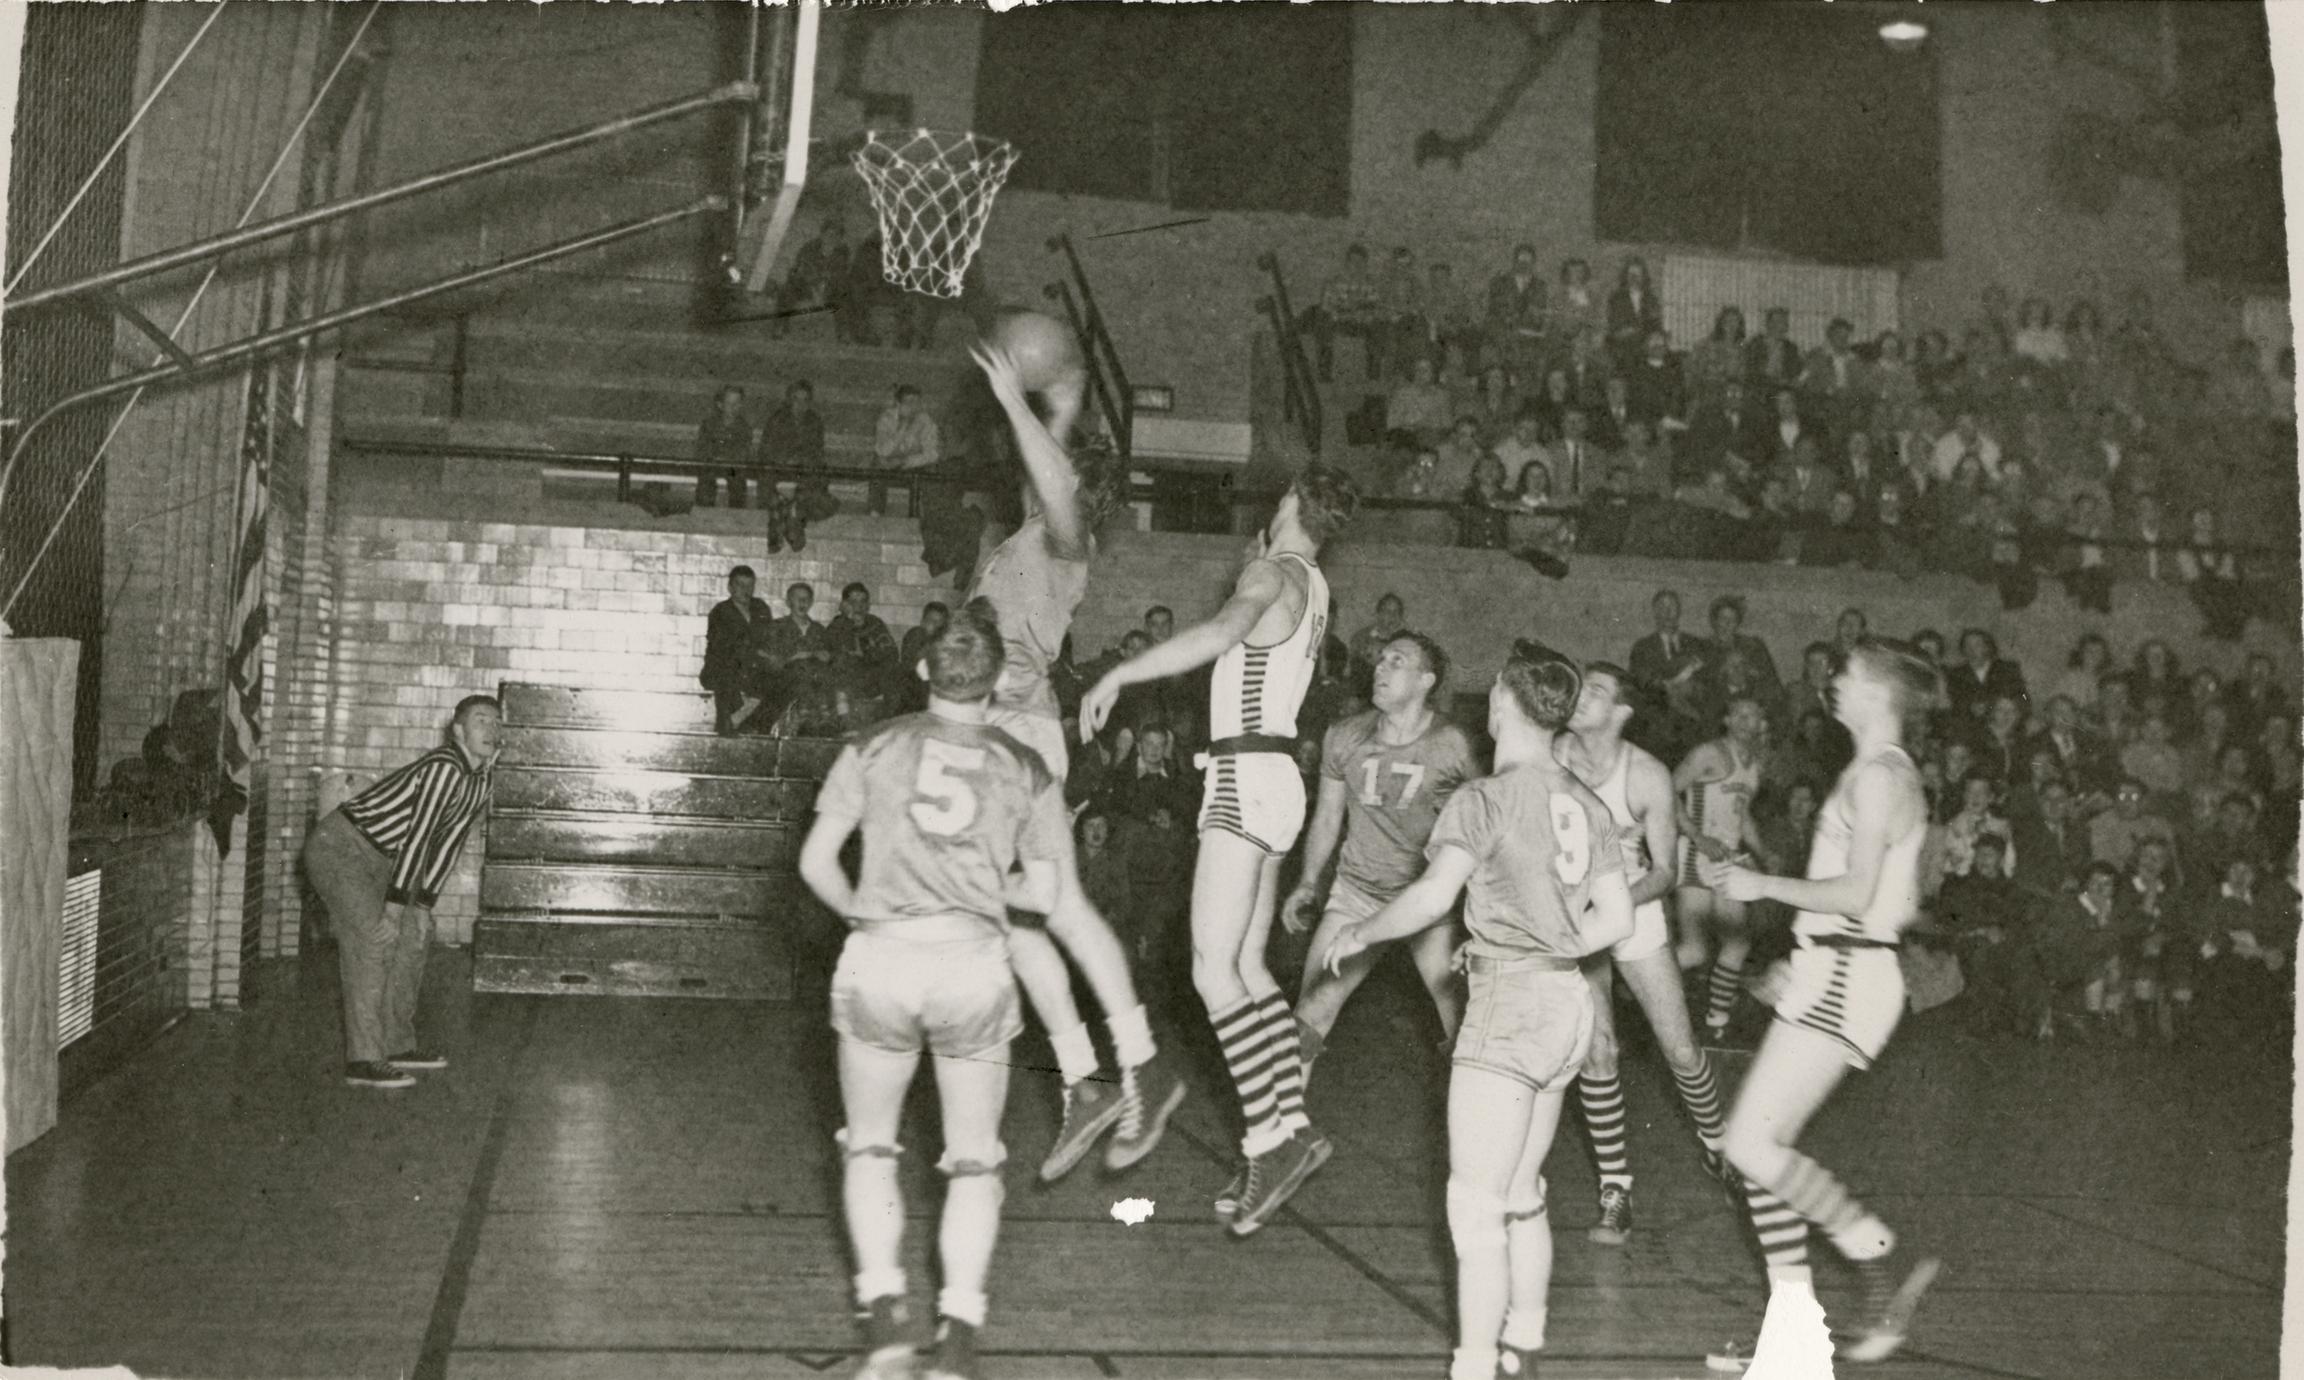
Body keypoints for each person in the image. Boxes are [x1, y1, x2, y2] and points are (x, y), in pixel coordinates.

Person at [1318, 645, 1634, 1380]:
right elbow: (1615, 919)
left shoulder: (1485, 799)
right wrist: (1538, 945)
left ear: (1504, 704)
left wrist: (1360, 931)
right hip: (1568, 1006)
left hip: (1512, 1012)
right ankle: (1525, 1338)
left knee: (1474, 1206)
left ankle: (1473, 1366)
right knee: (1523, 1190)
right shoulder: (1587, 802)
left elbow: (1431, 898)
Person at [1081, 465, 1362, 1235]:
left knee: (1211, 970)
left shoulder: (1271, 572)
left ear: (1295, 506)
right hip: (1275, 777)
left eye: (1278, 500)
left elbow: (1218, 634)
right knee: (1246, 969)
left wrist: (1124, 672)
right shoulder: (1312, 584)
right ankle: (1292, 1125)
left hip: (1242, 775)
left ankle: (1268, 1140)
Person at [797, 609, 1069, 1380]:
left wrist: (860, 909)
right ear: (1000, 681)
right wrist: (985, 883)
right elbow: (1044, 895)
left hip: (883, 957)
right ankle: (956, 1337)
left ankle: (885, 1319)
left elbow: (816, 863)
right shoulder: (1024, 763)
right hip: (971, 964)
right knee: (975, 1160)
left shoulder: (873, 744)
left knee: (872, 1146)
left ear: (922, 669)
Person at [967, 343, 1185, 1182]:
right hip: (1000, 731)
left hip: (1020, 732)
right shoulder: (1034, 533)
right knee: (1018, 920)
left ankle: (1137, 1060)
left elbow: (1055, 482)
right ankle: (1086, 1080)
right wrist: (1055, 401)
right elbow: (1048, 475)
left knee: (1052, 908)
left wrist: (1015, 403)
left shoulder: (1066, 540)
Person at [1707, 640, 1946, 1371]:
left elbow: (1857, 896)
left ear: (1876, 693)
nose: (1830, 685)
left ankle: (1880, 1260)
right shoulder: (1874, 772)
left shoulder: (1879, 778)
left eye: (1842, 677)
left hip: (1850, 976)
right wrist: (1799, 958)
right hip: (1835, 969)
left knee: (1749, 1146)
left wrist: (1763, 888)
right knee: (1757, 1153)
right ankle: (1794, 1332)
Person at [1555, 663, 1735, 1246]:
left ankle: (1718, 1143)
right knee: (1597, 1053)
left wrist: (1605, 907)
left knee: (1680, 1049)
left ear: (1623, 712)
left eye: (1597, 692)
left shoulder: (1647, 774)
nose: (1581, 698)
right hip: (1570, 922)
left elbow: (1663, 872)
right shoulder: (1551, 755)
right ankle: (1616, 1189)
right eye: (1579, 689)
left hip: (1630, 913)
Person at [1280, 632, 1477, 1080]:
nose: (1380, 668)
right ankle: (1280, 1139)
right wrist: (1308, 881)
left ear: (1426, 680)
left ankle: (1478, 1138)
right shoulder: (1345, 735)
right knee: (1309, 1012)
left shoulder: (1454, 743)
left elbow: (1485, 821)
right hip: (1358, 893)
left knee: (1464, 1024)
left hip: (1429, 902)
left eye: (1397, 661)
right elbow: (1328, 817)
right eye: (1381, 659)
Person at [303, 695, 500, 1088]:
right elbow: (418, 838)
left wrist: (422, 907)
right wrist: (393, 910)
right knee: (375, 938)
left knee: (414, 938)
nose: (491, 731)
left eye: (497, 723)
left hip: (385, 862)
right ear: (458, 730)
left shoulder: (481, 779)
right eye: (481, 721)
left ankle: (396, 1044)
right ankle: (363, 1059)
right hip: (340, 849)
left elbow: (448, 844)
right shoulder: (445, 767)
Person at [1673, 695, 1768, 1040]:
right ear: (1727, 719)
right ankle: (1631, 984)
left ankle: (1717, 1018)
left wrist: (1763, 855)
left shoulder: (1754, 763)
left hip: (1727, 859)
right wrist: (1698, 837)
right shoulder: (1708, 754)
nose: (1746, 721)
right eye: (1739, 715)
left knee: (1737, 944)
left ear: (1761, 723)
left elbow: (1742, 818)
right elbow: (1665, 791)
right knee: (1695, 950)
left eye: (1753, 716)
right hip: (1696, 854)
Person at [701, 565, 772, 736]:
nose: (746, 590)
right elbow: (722, 647)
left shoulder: (760, 608)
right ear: (730, 587)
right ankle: (729, 724)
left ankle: (742, 722)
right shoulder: (720, 612)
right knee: (727, 673)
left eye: (750, 585)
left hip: (753, 669)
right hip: (726, 668)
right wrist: (755, 653)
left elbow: (770, 637)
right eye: (740, 585)